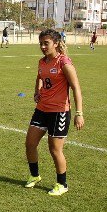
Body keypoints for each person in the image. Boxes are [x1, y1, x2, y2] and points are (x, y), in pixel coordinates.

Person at [24, 29, 84, 196]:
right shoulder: (42, 62)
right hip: (41, 109)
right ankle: (35, 176)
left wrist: (79, 113)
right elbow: (40, 77)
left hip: (59, 112)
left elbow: (76, 88)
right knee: (30, 144)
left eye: (46, 43)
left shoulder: (64, 62)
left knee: (55, 150)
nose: (42, 46)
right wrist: (37, 91)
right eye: (41, 43)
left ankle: (62, 184)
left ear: (56, 43)